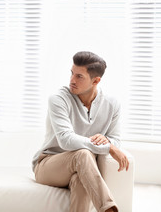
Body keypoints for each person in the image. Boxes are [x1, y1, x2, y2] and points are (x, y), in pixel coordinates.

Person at [32, 51, 129, 212]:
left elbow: (116, 140)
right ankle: (109, 209)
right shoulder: (58, 99)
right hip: (48, 165)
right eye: (72, 73)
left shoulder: (112, 104)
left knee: (83, 181)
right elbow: (66, 140)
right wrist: (109, 147)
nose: (72, 80)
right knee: (83, 154)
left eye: (79, 76)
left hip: (83, 168)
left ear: (96, 80)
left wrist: (109, 141)